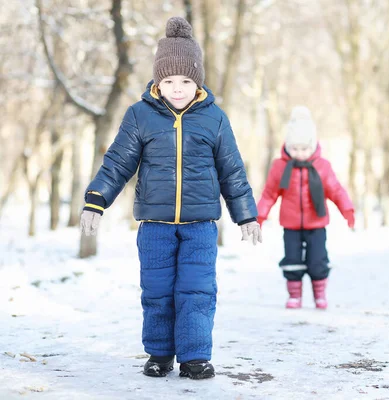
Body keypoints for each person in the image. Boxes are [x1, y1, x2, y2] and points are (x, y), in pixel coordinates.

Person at [79, 17, 262, 380]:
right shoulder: (140, 116)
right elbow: (117, 162)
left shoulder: (215, 119)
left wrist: (246, 215)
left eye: (185, 80)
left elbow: (232, 171)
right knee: (158, 292)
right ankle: (159, 354)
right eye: (169, 81)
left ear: (198, 82)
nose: (177, 88)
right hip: (155, 226)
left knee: (197, 291)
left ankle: (194, 356)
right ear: (157, 82)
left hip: (200, 227)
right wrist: (96, 199)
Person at [256, 106, 354, 310]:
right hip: (291, 224)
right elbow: (269, 193)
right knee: (292, 260)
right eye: (295, 149)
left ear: (313, 146)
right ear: (287, 147)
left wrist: (348, 210)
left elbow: (336, 190)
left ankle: (320, 294)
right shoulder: (280, 166)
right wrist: (259, 216)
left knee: (317, 260)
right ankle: (294, 296)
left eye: (304, 149)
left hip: (316, 224)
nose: (299, 154)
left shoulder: (322, 166)